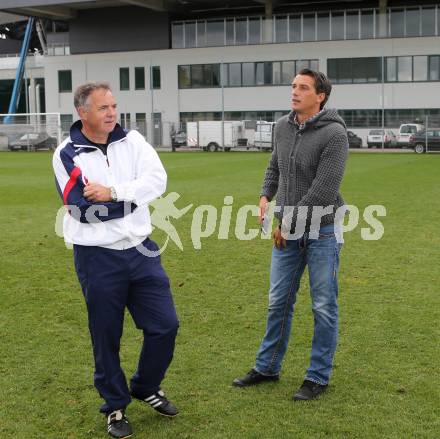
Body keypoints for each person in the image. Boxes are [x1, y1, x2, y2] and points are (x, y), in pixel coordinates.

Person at [53, 81, 179, 438]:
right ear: (83, 112)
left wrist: (115, 192)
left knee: (165, 325)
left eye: (113, 106)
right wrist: (132, 199)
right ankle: (115, 406)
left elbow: (158, 181)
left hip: (142, 251)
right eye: (103, 108)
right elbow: (81, 209)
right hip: (97, 258)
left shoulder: (133, 141)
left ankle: (146, 386)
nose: (112, 113)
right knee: (106, 335)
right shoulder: (66, 153)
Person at [233, 69, 348, 401]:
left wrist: (286, 223)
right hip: (287, 229)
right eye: (293, 86)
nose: (294, 92)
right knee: (278, 302)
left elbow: (324, 190)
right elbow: (274, 167)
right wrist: (264, 196)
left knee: (324, 305)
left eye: (303, 87)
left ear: (320, 96)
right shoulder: (283, 127)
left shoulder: (335, 135)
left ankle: (317, 376)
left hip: (323, 229)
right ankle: (267, 367)